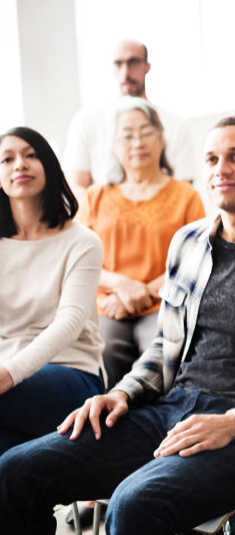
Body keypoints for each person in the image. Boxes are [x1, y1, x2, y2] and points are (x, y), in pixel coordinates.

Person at [0, 116, 235, 533]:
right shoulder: (188, 243)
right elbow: (165, 345)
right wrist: (122, 392)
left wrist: (234, 421)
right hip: (171, 409)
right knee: (16, 470)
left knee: (133, 505)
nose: (222, 169)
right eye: (213, 159)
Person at [84, 97, 204, 386]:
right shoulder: (96, 197)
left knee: (161, 353)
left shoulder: (186, 196)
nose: (137, 142)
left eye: (146, 132)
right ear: (113, 147)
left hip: (166, 301)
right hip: (110, 304)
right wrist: (121, 287)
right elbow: (80, 261)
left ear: (161, 139)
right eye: (127, 135)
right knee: (104, 351)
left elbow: (197, 258)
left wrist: (144, 291)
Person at [0, 127, 104, 454]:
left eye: (31, 155)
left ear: (50, 166)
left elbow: (69, 323)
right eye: (7, 158)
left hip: (71, 374)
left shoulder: (82, 242)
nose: (20, 164)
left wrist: (8, 374)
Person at [63, 39, 198, 193]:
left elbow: (185, 190)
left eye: (133, 62)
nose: (125, 72)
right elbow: (76, 187)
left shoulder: (175, 124)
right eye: (118, 64)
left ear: (147, 66)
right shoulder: (86, 121)